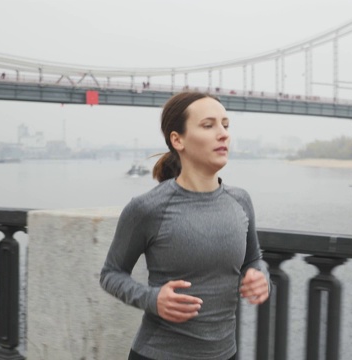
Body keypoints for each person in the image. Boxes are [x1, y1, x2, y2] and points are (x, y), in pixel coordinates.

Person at [100, 92, 270, 360]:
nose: (223, 134)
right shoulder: (148, 208)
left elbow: (254, 260)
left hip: (226, 354)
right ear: (177, 140)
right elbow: (111, 274)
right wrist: (152, 299)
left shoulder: (241, 201)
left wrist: (260, 277)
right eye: (208, 125)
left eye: (226, 125)